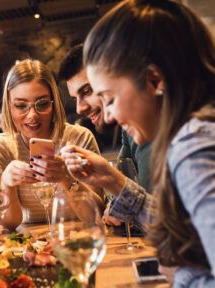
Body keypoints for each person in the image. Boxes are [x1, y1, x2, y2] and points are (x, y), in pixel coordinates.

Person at [63, 0, 215, 287]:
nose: (108, 114)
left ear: (154, 79)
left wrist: (185, 277)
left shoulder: (200, 146)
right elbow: (195, 231)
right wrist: (115, 182)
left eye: (109, 98)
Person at [0, 59, 103, 230]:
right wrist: (6, 183)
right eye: (21, 106)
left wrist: (65, 178)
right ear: (8, 107)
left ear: (54, 103)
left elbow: (95, 215)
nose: (32, 115)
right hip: (30, 244)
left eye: (42, 104)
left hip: (78, 238)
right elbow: (10, 223)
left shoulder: (79, 138)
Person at [59, 44, 153, 227]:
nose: (79, 108)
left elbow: (183, 227)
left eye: (87, 91)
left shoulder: (191, 137)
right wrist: (113, 183)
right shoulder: (128, 130)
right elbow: (120, 194)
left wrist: (116, 186)